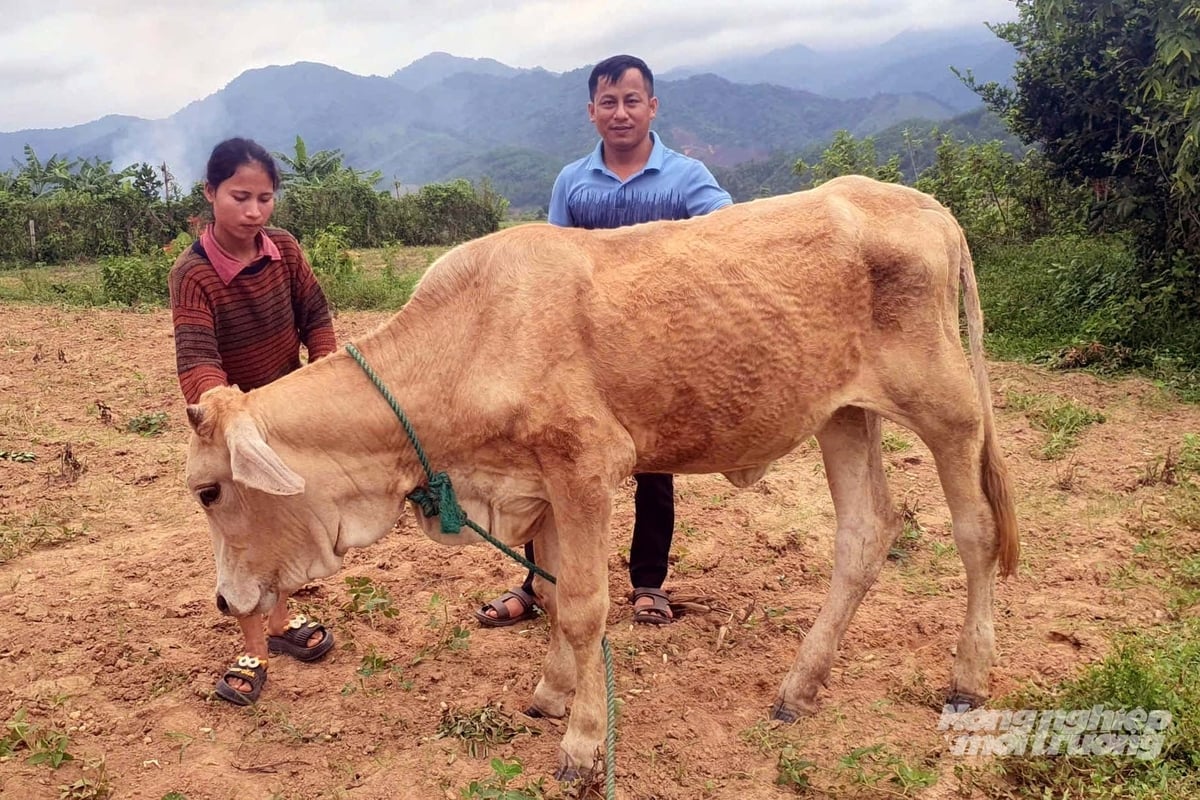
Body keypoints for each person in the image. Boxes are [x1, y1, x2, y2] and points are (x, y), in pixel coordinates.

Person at [474, 54, 732, 628]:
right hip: (580, 361)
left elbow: (727, 236)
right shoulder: (573, 181)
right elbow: (549, 267)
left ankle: (649, 584)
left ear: (652, 107)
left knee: (654, 471)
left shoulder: (687, 177)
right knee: (555, 468)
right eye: (608, 103)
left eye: (632, 101)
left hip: (655, 356)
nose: (621, 113)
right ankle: (537, 583)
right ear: (591, 112)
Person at [169, 137, 337, 705]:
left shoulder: (283, 249)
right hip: (228, 428)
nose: (253, 211)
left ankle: (281, 620)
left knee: (284, 522)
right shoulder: (192, 273)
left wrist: (323, 377)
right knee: (241, 535)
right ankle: (253, 648)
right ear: (210, 192)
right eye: (240, 197)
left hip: (283, 417)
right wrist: (230, 414)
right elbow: (197, 359)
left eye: (264, 199)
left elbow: (316, 317)